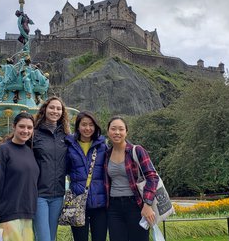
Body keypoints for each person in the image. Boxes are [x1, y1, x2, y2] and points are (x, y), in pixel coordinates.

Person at [0, 112, 39, 241]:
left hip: (27, 216)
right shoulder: (3, 151)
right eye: (22, 127)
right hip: (7, 217)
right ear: (14, 127)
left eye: (29, 128)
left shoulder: (30, 151)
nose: (25, 131)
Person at [104, 116, 159, 241]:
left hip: (136, 205)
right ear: (108, 132)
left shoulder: (137, 150)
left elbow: (152, 177)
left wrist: (147, 204)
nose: (117, 132)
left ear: (126, 132)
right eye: (113, 129)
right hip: (114, 207)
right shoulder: (106, 154)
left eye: (121, 129)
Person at [65, 111, 108, 241]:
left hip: (99, 203)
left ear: (95, 127)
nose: (87, 128)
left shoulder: (102, 146)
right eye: (84, 124)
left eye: (91, 125)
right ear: (78, 126)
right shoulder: (69, 146)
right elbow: (65, 169)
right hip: (78, 202)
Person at [32, 96, 70, 241]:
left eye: (58, 108)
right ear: (45, 109)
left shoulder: (66, 136)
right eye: (52, 107)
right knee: (44, 238)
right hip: (39, 194)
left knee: (51, 237)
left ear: (62, 112)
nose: (55, 111)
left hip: (58, 195)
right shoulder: (34, 134)